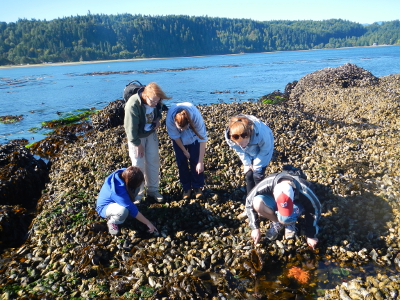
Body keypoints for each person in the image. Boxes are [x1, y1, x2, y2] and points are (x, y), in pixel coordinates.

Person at [245, 171, 321, 249]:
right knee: (257, 203)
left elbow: (315, 208)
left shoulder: (305, 190)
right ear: (274, 193)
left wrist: (311, 235)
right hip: (274, 199)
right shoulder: (267, 183)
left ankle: (289, 222)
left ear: (293, 193)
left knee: (285, 218)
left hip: (297, 203)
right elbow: (249, 201)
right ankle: (278, 222)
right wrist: (255, 228)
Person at [124, 82, 171, 203]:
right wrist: (137, 144)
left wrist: (158, 120)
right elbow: (130, 128)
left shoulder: (156, 102)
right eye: (153, 101)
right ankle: (138, 194)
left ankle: (153, 190)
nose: (156, 104)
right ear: (145, 95)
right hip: (136, 137)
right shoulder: (133, 104)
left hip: (151, 134)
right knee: (138, 165)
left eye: (158, 101)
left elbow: (159, 111)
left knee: (153, 162)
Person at [96, 166, 158, 235]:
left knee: (137, 188)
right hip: (104, 208)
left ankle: (126, 204)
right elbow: (133, 210)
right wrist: (148, 223)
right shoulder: (117, 191)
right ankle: (113, 221)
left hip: (120, 198)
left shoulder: (124, 172)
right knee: (123, 211)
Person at [166, 102, 208, 200]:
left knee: (195, 160)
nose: (181, 130)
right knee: (181, 161)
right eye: (179, 128)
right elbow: (175, 136)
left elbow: (203, 139)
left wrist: (200, 162)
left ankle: (197, 187)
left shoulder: (196, 117)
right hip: (179, 141)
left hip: (194, 137)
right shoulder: (170, 118)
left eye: (183, 128)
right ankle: (186, 188)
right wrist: (184, 151)